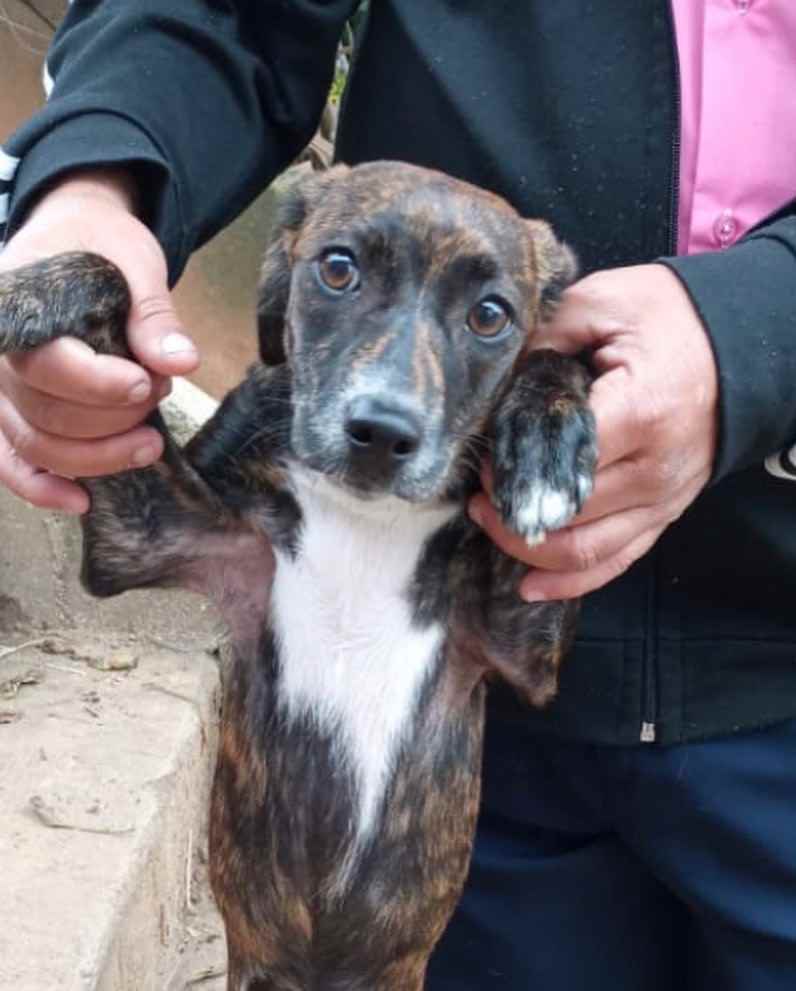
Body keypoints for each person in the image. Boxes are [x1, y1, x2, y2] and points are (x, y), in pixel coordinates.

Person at [1, 2, 795, 987]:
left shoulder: (485, 585)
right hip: (494, 828)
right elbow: (126, 532)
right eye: (341, 271)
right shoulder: (271, 531)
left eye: (487, 314)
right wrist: (89, 192)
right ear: (282, 288)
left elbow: (531, 630)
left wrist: (739, 337)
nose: (390, 394)